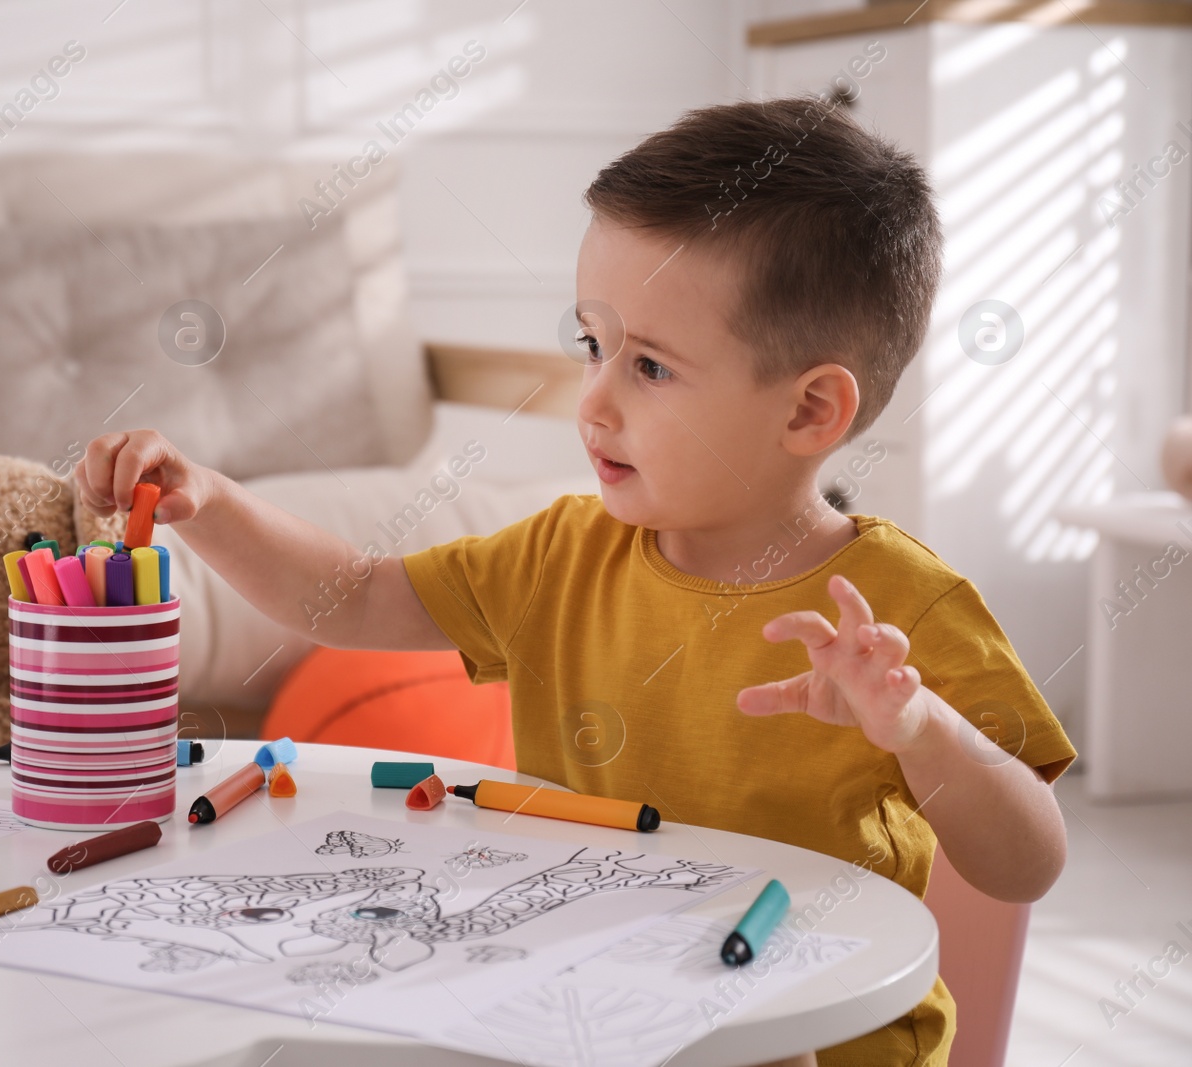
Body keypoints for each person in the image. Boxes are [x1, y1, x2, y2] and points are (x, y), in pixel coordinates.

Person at [80, 96, 1076, 1066]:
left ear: (811, 409)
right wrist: (208, 503)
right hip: (592, 1021)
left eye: (649, 369)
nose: (591, 400)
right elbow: (353, 597)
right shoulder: (560, 554)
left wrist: (920, 731)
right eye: (593, 346)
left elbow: (1026, 860)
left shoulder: (898, 612)